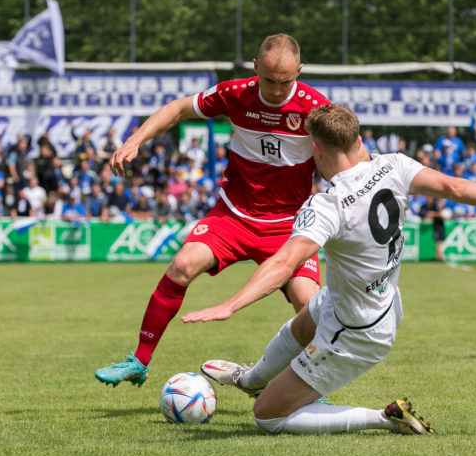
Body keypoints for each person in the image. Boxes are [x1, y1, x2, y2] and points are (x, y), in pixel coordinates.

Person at [182, 104, 476, 435]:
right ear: (359, 140)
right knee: (306, 318)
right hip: (373, 303)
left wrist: (229, 305)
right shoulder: (394, 166)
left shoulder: (329, 204)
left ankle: (385, 417)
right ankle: (250, 379)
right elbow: (456, 187)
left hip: (355, 332)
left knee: (267, 416)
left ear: (316, 150)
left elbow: (285, 262)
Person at [95, 34, 332, 387]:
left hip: (289, 225)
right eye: (269, 80)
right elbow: (177, 109)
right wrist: (134, 141)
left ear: (299, 70)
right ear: (255, 67)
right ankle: (139, 361)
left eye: (286, 81)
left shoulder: (315, 107)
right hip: (233, 216)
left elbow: (348, 154)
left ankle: (310, 386)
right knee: (181, 265)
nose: (278, 89)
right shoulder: (235, 93)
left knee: (310, 305)